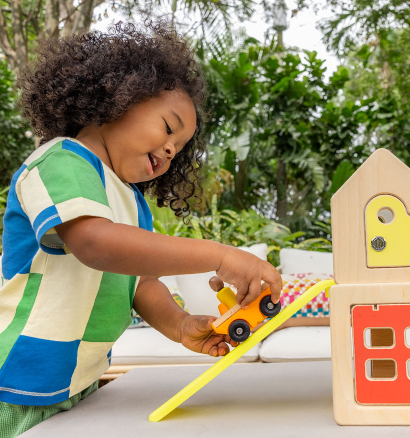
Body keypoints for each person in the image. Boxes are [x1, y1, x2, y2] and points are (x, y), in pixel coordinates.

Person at [0, 21, 282, 437]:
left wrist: (179, 325)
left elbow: (140, 283)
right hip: (19, 383)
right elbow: (94, 243)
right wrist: (221, 255)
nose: (171, 149)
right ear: (115, 99)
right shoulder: (60, 161)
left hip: (79, 384)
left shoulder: (132, 202)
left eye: (180, 149)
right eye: (168, 128)